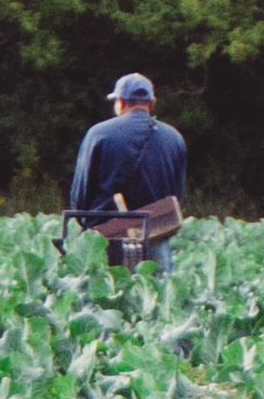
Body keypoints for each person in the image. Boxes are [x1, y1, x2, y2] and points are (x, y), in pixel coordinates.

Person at [66, 72, 191, 274]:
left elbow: (80, 195)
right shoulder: (174, 138)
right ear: (152, 104)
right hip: (155, 236)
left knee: (99, 301)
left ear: (121, 102)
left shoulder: (99, 134)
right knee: (155, 298)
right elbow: (176, 196)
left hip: (105, 240)